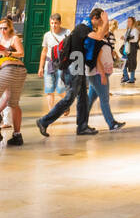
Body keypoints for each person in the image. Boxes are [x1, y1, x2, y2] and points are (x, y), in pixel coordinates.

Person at [35, 9, 99, 137]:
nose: (100, 24)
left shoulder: (81, 28)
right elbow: (99, 37)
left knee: (82, 97)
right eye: (100, 20)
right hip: (73, 66)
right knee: (70, 97)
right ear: (95, 18)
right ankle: (43, 121)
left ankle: (82, 126)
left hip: (77, 65)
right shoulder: (83, 27)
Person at [86, 10, 125, 131]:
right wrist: (102, 74)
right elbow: (96, 58)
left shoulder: (105, 38)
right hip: (98, 73)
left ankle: (82, 122)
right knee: (104, 98)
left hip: (101, 73)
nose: (106, 27)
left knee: (90, 100)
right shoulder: (96, 38)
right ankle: (111, 123)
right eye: (105, 25)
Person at [39, 13, 69, 111]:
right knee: (49, 90)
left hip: (61, 64)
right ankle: (51, 112)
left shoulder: (66, 32)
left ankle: (66, 103)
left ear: (60, 23)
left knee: (60, 89)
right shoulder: (47, 35)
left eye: (56, 23)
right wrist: (40, 67)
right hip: (49, 64)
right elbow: (44, 51)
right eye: (52, 23)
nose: (53, 25)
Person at [120, 16, 140, 84]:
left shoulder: (135, 30)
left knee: (132, 63)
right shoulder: (128, 30)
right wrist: (124, 38)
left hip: (132, 48)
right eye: (127, 21)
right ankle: (126, 77)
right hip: (126, 48)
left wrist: (127, 38)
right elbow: (127, 39)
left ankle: (131, 78)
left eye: (130, 21)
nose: (128, 22)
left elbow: (136, 40)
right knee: (122, 63)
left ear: (133, 22)